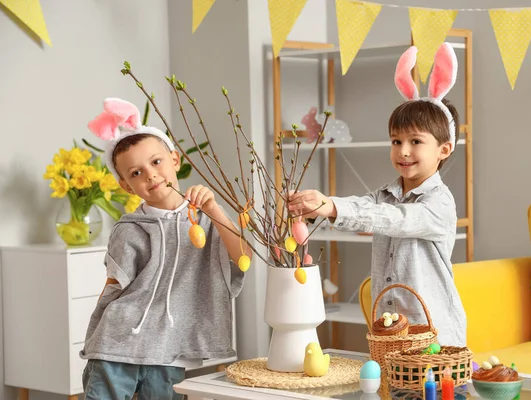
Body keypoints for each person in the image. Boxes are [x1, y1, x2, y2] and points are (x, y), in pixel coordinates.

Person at [288, 43, 467, 346]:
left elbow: (396, 219)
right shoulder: (387, 194)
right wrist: (322, 206)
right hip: (389, 331)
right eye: (396, 141)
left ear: (444, 149)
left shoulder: (439, 203)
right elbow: (363, 207)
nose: (403, 151)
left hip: (434, 335)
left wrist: (331, 207)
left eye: (415, 141)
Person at [80, 97, 249, 399]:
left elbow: (245, 258)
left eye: (156, 162)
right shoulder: (129, 228)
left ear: (175, 160)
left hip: (170, 350)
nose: (149, 175)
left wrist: (215, 211)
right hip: (118, 345)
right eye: (135, 173)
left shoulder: (208, 218)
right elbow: (113, 287)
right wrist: (98, 334)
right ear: (126, 186)